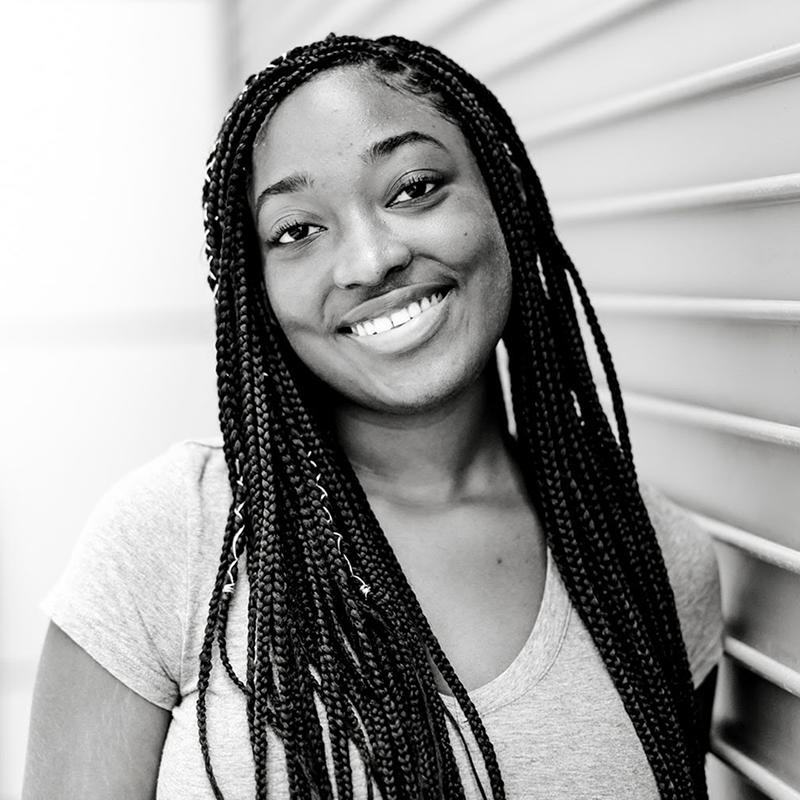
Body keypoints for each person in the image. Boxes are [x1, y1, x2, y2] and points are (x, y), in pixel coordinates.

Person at [23, 34, 722, 800]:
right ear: (260, 296)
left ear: (503, 200)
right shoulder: (173, 539)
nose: (369, 260)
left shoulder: (647, 558)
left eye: (414, 186)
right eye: (296, 231)